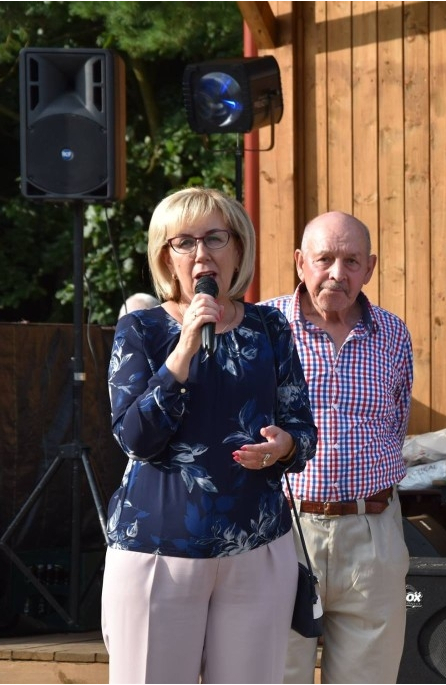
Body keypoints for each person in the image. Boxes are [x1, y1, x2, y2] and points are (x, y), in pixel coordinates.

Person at [103, 187, 319, 684]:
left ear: (238, 247)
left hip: (257, 547)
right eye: (184, 242)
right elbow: (135, 438)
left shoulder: (270, 328)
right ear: (166, 256)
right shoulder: (141, 330)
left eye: (215, 238)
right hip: (157, 551)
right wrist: (182, 352)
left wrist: (284, 447)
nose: (201, 254)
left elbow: (302, 429)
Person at [262, 211, 414, 684]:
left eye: (351, 261)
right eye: (324, 258)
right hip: (282, 531)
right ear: (299, 263)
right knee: (274, 674)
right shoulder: (264, 328)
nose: (336, 273)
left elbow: (396, 420)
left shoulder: (392, 334)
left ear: (369, 268)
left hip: (372, 531)